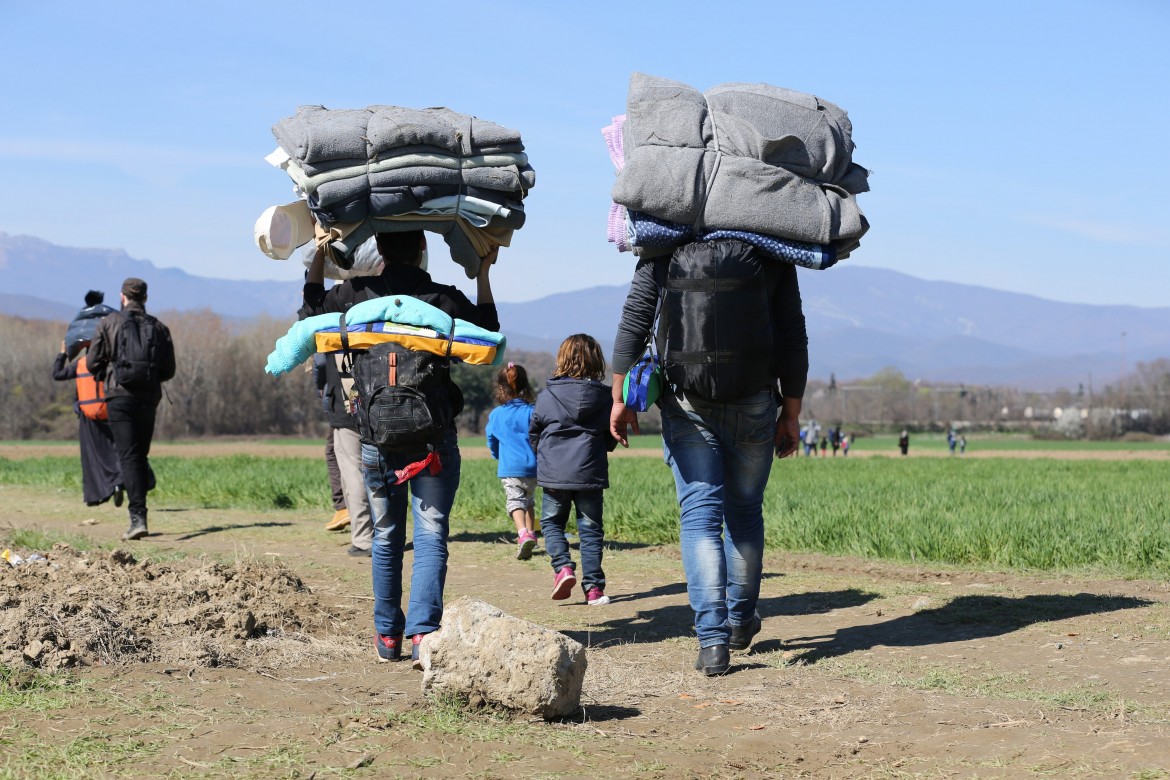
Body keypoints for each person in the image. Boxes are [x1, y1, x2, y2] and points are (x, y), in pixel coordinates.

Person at [610, 240, 807, 676]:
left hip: (686, 401)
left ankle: (713, 643)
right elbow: (792, 333)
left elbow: (635, 320)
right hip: (755, 401)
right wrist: (791, 412)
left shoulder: (665, 239)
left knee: (699, 517)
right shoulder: (770, 245)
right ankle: (739, 622)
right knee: (744, 512)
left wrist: (620, 397)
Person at [301, 231, 499, 668]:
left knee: (387, 537)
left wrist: (318, 253)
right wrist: (483, 274)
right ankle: (423, 635)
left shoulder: (354, 294)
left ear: (382, 252)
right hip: (433, 440)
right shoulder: (441, 298)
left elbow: (310, 307)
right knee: (431, 535)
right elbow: (488, 332)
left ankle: (387, 636)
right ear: (422, 251)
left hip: (374, 439)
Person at [86, 278, 175, 541]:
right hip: (148, 398)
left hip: (118, 396)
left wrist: (107, 367)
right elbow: (169, 370)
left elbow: (92, 363)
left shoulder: (108, 323)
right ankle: (140, 481)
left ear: (122, 297)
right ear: (145, 299)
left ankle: (138, 518)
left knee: (129, 456)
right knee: (139, 454)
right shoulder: (160, 327)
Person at [530, 334, 616, 606]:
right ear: (596, 361)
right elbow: (611, 436)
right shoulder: (605, 397)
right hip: (590, 472)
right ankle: (594, 590)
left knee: (552, 524)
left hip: (554, 473)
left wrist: (544, 457)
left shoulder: (547, 396)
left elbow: (534, 433)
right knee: (590, 531)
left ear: (561, 360)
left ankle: (563, 568)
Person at [52, 337, 123, 507]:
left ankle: (97, 494)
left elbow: (57, 374)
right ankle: (119, 481)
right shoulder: (110, 362)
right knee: (117, 450)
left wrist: (62, 353)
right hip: (111, 411)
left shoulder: (81, 363)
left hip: (88, 414)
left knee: (92, 455)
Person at [485, 362, 539, 560]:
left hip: (510, 467)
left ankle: (523, 534)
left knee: (515, 501)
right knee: (529, 500)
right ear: (527, 386)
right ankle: (532, 533)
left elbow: (491, 438)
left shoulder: (497, 414)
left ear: (500, 388)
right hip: (534, 467)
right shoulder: (532, 412)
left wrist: (496, 454)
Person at [313, 354, 350, 533]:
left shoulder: (326, 326)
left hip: (342, 401)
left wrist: (320, 385)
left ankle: (344, 508)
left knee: (335, 453)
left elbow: (320, 361)